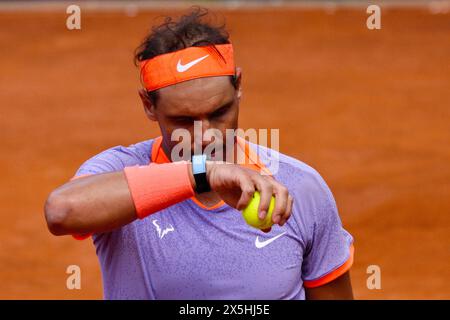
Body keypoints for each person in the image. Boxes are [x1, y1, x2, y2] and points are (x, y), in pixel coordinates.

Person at [44, 8, 354, 300]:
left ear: (239, 87)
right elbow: (61, 212)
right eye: (184, 120)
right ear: (149, 106)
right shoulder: (122, 171)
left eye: (219, 112)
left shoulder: (299, 186)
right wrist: (203, 174)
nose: (206, 135)